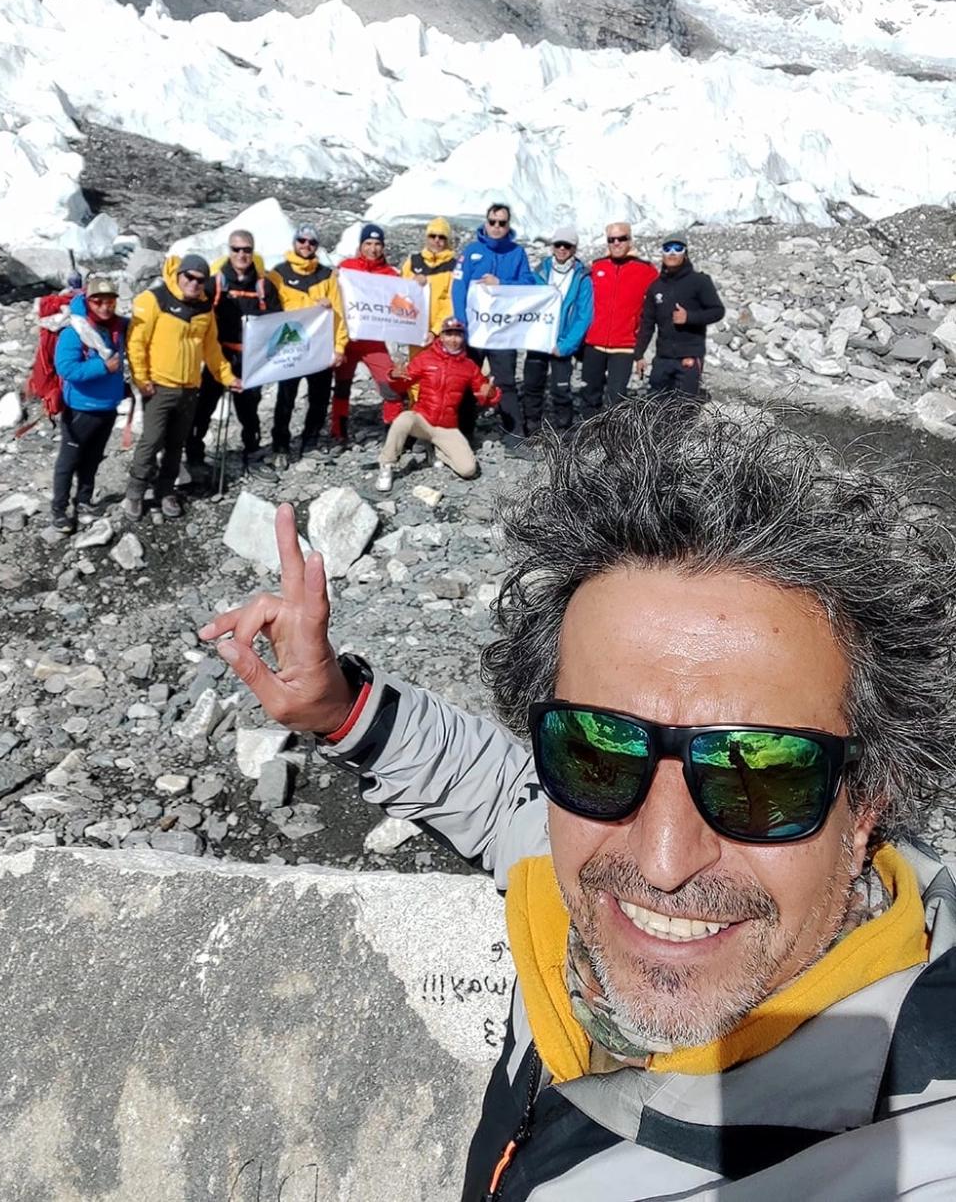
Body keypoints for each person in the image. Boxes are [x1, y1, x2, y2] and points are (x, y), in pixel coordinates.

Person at [200, 399, 956, 1200]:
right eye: (599, 749)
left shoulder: (912, 1145)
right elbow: (497, 794)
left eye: (757, 774)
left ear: (870, 793)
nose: (661, 860)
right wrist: (338, 708)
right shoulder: (575, 850)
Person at [124, 253, 238, 520]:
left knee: (177, 444)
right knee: (151, 441)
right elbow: (136, 342)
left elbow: (211, 350)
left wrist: (228, 377)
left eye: (201, 280)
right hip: (159, 386)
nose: (194, 283)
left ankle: (166, 491)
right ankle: (135, 492)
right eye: (190, 277)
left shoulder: (204, 308)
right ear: (179, 274)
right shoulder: (154, 300)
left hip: (189, 389)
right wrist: (141, 379)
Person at [186, 230, 282, 480]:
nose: (242, 254)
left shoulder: (264, 286)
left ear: (253, 252)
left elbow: (277, 321)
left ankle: (252, 454)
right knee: (204, 407)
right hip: (219, 355)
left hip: (252, 358)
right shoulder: (215, 283)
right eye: (237, 249)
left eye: (247, 249)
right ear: (229, 251)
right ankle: (194, 455)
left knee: (249, 412)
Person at [376, 317, 500, 490]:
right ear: (441, 336)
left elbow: (484, 396)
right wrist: (393, 376)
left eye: (457, 335)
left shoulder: (469, 366)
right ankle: (386, 465)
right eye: (448, 334)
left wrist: (491, 394)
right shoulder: (425, 358)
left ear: (463, 338)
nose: (453, 339)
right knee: (404, 419)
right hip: (422, 418)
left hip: (447, 426)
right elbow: (401, 384)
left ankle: (440, 452)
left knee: (468, 469)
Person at [50, 275, 128, 533]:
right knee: (68, 460)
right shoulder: (76, 331)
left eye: (110, 301)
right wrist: (103, 367)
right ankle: (59, 509)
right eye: (99, 302)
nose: (105, 307)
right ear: (89, 301)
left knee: (93, 458)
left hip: (107, 407)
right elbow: (66, 368)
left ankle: (83, 501)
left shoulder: (117, 327)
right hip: (80, 409)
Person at [452, 202, 535, 442]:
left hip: (503, 331)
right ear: (485, 223)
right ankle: (463, 434)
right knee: (468, 380)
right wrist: (461, 326)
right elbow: (458, 288)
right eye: (492, 222)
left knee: (506, 382)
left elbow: (528, 284)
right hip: (474, 331)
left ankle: (514, 435)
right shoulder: (471, 251)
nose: (496, 227)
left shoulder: (517, 253)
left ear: (508, 225)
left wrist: (502, 283)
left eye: (502, 223)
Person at [266, 227, 346, 465]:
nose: (306, 245)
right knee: (286, 398)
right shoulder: (278, 274)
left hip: (320, 347)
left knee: (319, 399)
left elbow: (339, 312)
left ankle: (310, 442)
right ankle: (280, 444)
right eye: (302, 240)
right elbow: (271, 309)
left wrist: (339, 346)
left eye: (312, 242)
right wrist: (313, 302)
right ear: (295, 242)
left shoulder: (326, 276)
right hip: (290, 346)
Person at [331, 224, 406, 453]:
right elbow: (329, 292)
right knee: (342, 388)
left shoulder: (391, 275)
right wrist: (333, 277)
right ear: (361, 245)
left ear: (383, 246)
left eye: (377, 244)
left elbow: (405, 301)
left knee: (391, 387)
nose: (373, 249)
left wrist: (415, 286)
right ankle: (338, 433)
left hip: (373, 342)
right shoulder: (346, 268)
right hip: (348, 340)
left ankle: (392, 434)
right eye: (368, 244)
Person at [580, 222, 658, 415]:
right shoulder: (598, 266)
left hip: (624, 345)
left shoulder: (645, 270)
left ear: (630, 240)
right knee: (590, 394)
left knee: (616, 399)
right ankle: (587, 438)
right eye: (611, 239)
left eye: (621, 238)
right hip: (594, 343)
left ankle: (611, 440)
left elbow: (663, 296)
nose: (616, 243)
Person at [522, 229, 594, 436]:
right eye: (558, 244)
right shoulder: (539, 272)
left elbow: (584, 315)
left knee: (561, 389)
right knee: (532, 386)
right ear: (552, 246)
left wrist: (566, 346)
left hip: (562, 342)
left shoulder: (582, 277)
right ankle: (532, 430)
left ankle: (564, 430)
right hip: (538, 341)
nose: (562, 249)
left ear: (574, 248)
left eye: (567, 245)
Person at [635, 237, 725, 398]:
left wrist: (689, 317)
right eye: (668, 249)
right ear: (662, 253)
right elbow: (647, 323)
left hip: (688, 358)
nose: (672, 253)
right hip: (662, 358)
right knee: (656, 407)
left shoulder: (699, 281)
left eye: (678, 248)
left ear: (686, 253)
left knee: (684, 410)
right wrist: (639, 355)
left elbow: (717, 311)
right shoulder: (656, 287)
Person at [401, 218, 457, 342]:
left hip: (441, 334)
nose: (436, 240)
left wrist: (435, 330)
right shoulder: (413, 262)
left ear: (447, 241)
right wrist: (413, 282)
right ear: (427, 238)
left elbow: (451, 302)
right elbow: (400, 292)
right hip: (414, 329)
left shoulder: (454, 267)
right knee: (417, 362)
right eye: (433, 236)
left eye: (441, 237)